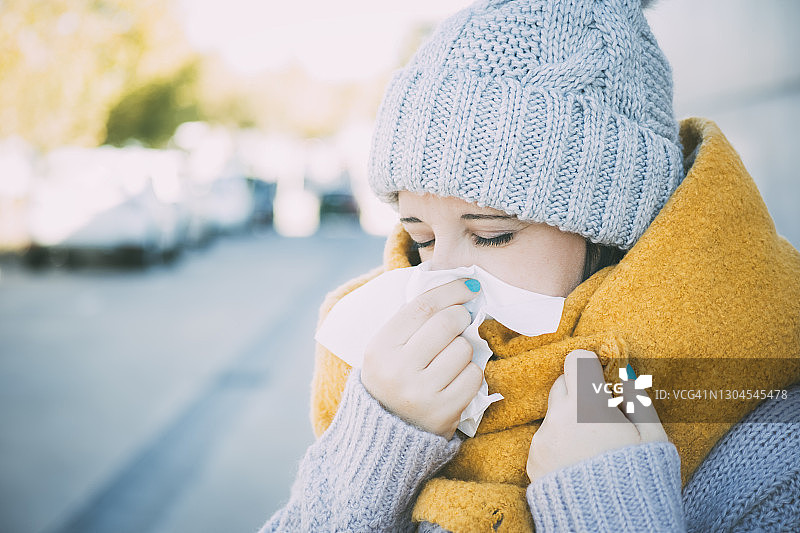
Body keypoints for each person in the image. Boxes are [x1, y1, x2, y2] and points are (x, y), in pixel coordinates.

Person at [260, 0, 800, 531]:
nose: (444, 283)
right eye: (420, 237)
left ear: (613, 230)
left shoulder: (769, 437)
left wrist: (610, 513)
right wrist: (376, 449)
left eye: (492, 235)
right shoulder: (380, 371)